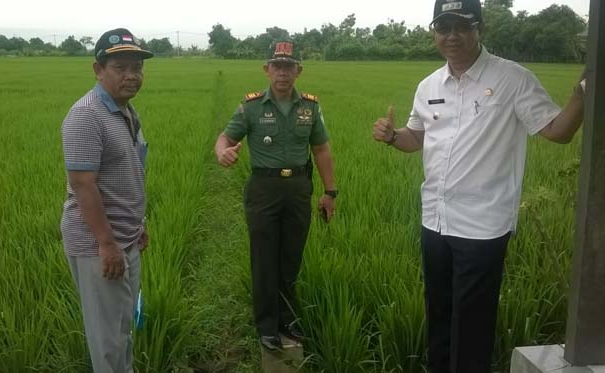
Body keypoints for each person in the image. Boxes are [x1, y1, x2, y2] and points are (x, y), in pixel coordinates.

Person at [372, 1, 585, 372]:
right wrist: (392, 137)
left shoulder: (512, 79)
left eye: (461, 26)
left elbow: (557, 131)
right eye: (443, 27)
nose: (451, 35)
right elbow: (416, 138)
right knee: (438, 312)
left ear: (479, 29)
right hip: (435, 221)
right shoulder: (428, 86)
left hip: (483, 226)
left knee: (472, 324)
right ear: (434, 33)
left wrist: (581, 96)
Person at [214, 40, 337, 351]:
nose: (283, 72)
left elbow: (321, 149)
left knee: (291, 257)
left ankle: (288, 319)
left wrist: (330, 192)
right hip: (263, 190)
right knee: (264, 258)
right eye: (277, 66)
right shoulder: (252, 107)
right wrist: (222, 153)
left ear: (298, 70)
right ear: (266, 69)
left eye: (289, 66)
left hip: (297, 189)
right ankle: (267, 326)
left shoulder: (310, 107)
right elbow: (225, 137)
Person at [60, 28, 152, 373]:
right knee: (108, 340)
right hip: (98, 244)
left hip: (124, 237)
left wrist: (137, 225)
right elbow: (84, 185)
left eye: (137, 67)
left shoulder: (125, 111)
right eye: (120, 67)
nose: (131, 75)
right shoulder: (87, 115)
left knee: (123, 326)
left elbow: (127, 173)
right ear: (98, 70)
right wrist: (107, 243)